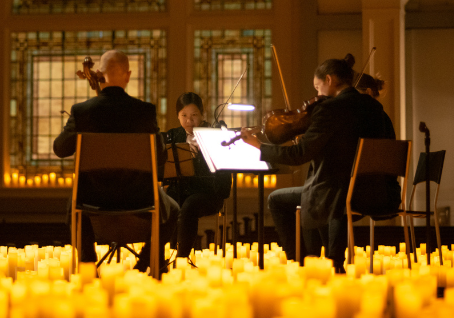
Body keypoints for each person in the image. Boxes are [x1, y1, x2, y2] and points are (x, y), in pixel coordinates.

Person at [240, 54, 399, 270]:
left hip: (340, 195)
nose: (317, 94)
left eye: (317, 86)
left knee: (279, 199)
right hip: (380, 194)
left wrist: (260, 146)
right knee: (320, 189)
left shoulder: (330, 109)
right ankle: (329, 261)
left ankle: (303, 263)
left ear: (329, 80)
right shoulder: (376, 109)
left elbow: (298, 155)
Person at [53, 49, 179, 274]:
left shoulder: (82, 112)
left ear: (99, 74)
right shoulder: (144, 112)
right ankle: (147, 262)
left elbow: (60, 149)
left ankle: (88, 262)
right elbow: (160, 156)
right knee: (174, 209)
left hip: (92, 198)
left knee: (72, 205)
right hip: (140, 198)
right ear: (128, 75)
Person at [163, 92, 231, 259]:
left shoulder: (215, 135)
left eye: (194, 115)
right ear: (177, 116)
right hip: (182, 190)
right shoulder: (173, 135)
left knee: (189, 205)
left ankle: (181, 258)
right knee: (167, 202)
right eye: (183, 115)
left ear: (202, 114)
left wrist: (202, 153)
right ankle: (167, 253)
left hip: (209, 193)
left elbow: (222, 178)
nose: (189, 120)